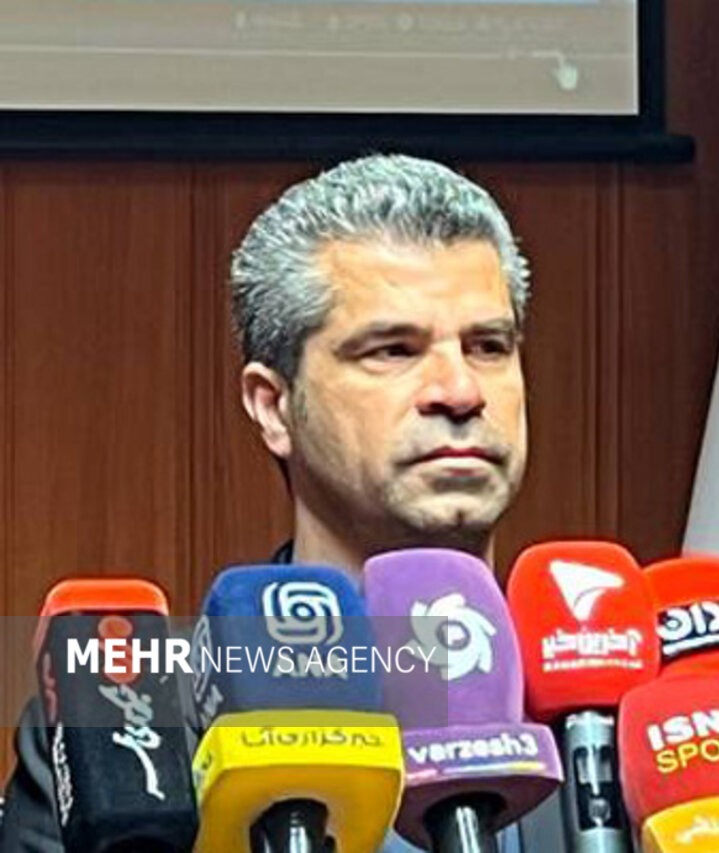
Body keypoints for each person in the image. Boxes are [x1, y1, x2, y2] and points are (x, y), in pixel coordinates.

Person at [0, 154, 558, 852]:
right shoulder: (122, 723)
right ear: (273, 406)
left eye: (489, 346)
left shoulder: (618, 713)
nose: (460, 391)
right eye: (392, 350)